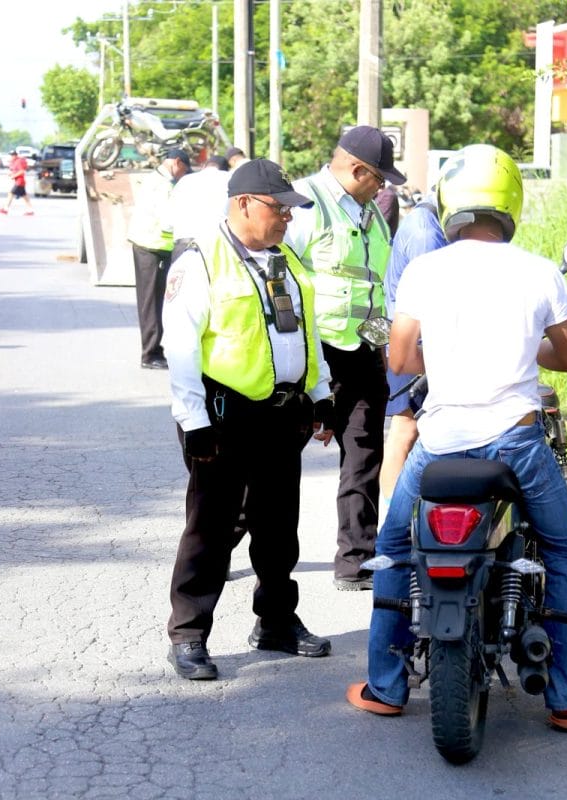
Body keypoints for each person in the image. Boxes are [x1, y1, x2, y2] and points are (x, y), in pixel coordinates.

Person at [346, 144, 567, 732]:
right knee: (564, 553)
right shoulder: (539, 270)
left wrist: (446, 354)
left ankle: (386, 687)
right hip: (516, 442)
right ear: (511, 203)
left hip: (440, 441)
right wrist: (521, 345)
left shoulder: (423, 269)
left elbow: (404, 357)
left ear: (449, 204)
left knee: (392, 546)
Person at [161, 158, 337, 681]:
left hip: (284, 413)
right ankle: (189, 634)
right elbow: (181, 347)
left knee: (278, 526)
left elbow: (304, 333)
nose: (287, 218)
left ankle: (277, 622)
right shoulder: (200, 261)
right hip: (222, 413)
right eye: (278, 208)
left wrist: (322, 394)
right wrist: (193, 421)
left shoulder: (284, 259)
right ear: (243, 204)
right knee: (210, 528)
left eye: (290, 210)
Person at [283, 125, 406, 591]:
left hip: (363, 351)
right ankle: (222, 540)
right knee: (274, 463)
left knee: (363, 456)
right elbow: (284, 279)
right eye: (379, 177)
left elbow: (374, 284)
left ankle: (356, 561)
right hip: (315, 355)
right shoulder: (306, 204)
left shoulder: (371, 212)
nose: (383, 186)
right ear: (357, 169)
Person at [376, 189, 447, 511]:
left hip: (409, 338)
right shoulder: (426, 232)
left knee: (406, 431)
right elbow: (434, 298)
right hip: (416, 343)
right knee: (406, 430)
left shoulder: (422, 221)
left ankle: (399, 520)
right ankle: (394, 521)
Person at [128, 148, 190, 369]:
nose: (183, 174)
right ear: (176, 162)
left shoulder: (156, 179)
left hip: (149, 245)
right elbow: (167, 221)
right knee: (152, 303)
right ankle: (151, 353)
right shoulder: (163, 185)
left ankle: (154, 350)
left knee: (154, 302)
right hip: (152, 246)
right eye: (184, 169)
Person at [168, 153, 232, 262]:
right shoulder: (230, 179)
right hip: (215, 248)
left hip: (183, 248)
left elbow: (167, 223)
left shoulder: (184, 181)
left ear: (204, 166)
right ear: (226, 169)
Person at [0, 149, 34, 216]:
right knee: (25, 197)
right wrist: (12, 174)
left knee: (11, 193)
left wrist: (13, 176)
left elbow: (21, 171)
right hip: (20, 182)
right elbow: (17, 170)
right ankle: (30, 210)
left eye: (13, 155)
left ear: (16, 155)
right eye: (11, 155)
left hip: (19, 182)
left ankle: (5, 209)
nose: (12, 156)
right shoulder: (15, 161)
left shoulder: (18, 162)